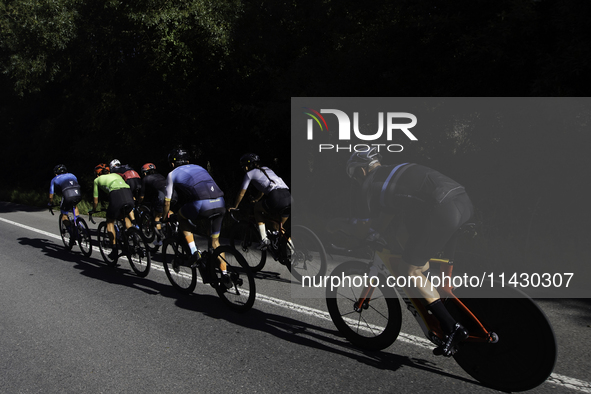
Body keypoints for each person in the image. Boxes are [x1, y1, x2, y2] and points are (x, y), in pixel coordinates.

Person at [340, 147, 474, 357]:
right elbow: (387, 219)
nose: (357, 181)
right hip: (462, 199)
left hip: (442, 209)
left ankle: (453, 327)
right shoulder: (392, 174)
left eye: (355, 176)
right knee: (416, 256)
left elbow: (366, 227)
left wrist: (341, 230)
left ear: (361, 171)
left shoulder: (371, 184)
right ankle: (438, 300)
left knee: (408, 271)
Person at [161, 148, 230, 286]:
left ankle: (194, 252)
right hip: (221, 202)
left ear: (173, 163)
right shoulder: (199, 167)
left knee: (181, 217)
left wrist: (164, 218)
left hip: (202, 205)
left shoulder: (172, 173)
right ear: (187, 160)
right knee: (215, 243)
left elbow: (167, 201)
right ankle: (225, 274)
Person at [229, 153, 292, 249]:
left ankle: (264, 240)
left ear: (247, 166)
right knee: (278, 227)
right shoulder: (267, 169)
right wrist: (257, 199)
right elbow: (263, 189)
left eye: (244, 166)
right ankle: (292, 251)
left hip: (276, 197)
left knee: (257, 209)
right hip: (288, 196)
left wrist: (235, 206)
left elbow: (241, 193)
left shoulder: (249, 174)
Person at [92, 163, 137, 257]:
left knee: (110, 221)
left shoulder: (97, 180)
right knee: (123, 216)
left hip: (116, 195)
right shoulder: (116, 175)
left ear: (97, 174)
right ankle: (133, 237)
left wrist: (93, 209)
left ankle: (114, 248)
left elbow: (95, 200)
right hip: (128, 193)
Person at [138, 162, 169, 246]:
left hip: (161, 196)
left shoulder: (145, 179)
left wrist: (138, 203)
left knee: (157, 217)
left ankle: (159, 240)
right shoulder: (161, 176)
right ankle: (172, 226)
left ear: (145, 172)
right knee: (169, 210)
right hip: (173, 195)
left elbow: (142, 196)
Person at [48, 164, 83, 237]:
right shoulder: (72, 175)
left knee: (64, 214)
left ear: (56, 173)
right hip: (78, 193)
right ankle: (78, 222)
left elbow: (51, 195)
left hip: (67, 196)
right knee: (74, 205)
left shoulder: (54, 179)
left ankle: (71, 234)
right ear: (66, 172)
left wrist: (50, 203)